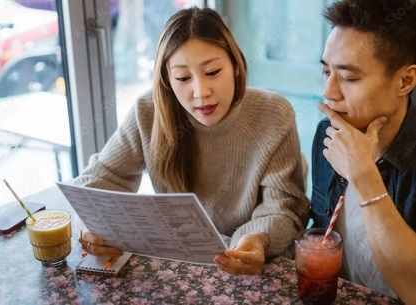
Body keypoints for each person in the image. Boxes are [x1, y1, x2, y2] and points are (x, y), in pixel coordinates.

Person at [74, 7, 309, 275]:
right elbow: (98, 182)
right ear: (167, 80)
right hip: (180, 264)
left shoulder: (273, 113)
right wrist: (93, 226)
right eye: (183, 78)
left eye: (212, 72)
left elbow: (284, 209)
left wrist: (257, 239)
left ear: (235, 65)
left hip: (252, 267)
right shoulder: (148, 111)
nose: (201, 92)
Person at [311, 0, 416, 303]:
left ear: (405, 80)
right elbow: (320, 229)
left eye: (348, 77)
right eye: (326, 72)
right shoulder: (328, 135)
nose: (329, 93)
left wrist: (363, 175)